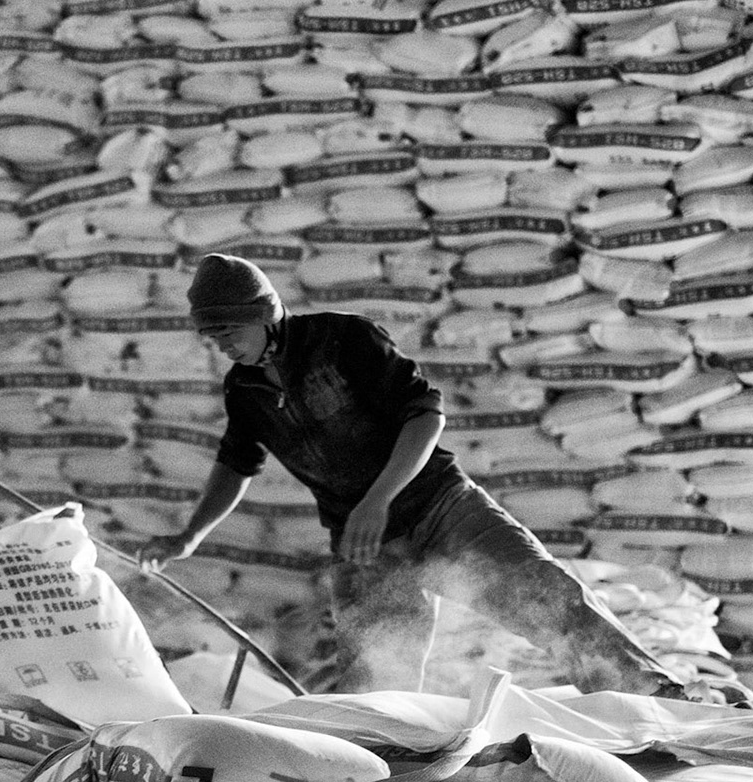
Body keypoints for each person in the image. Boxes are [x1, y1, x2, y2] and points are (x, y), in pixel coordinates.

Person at [135, 252, 686, 699]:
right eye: (213, 336)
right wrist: (189, 536)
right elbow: (236, 463)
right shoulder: (245, 387)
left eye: (229, 329)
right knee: (374, 679)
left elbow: (425, 414)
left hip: (444, 510)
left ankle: (655, 698)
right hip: (364, 544)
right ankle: (388, 773)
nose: (223, 344)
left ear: (264, 313)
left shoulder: (344, 339)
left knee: (549, 601)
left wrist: (378, 499)